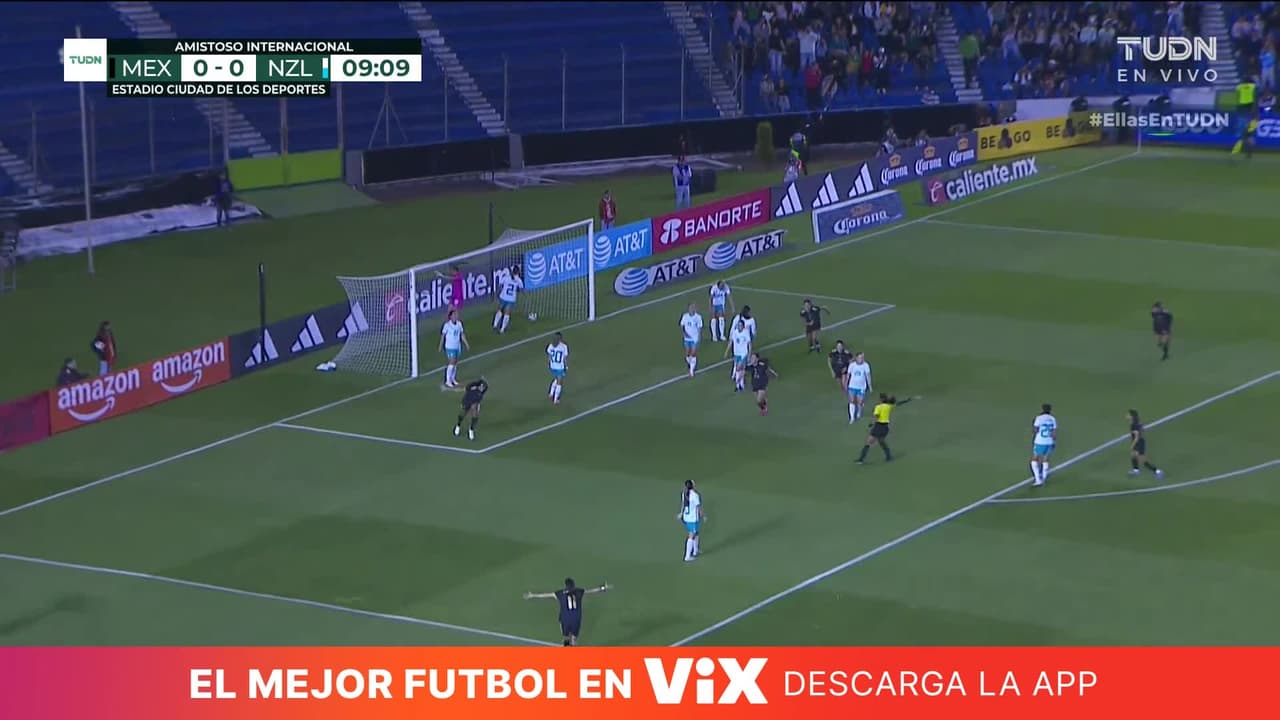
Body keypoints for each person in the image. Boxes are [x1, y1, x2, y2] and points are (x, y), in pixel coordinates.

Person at [523, 577, 611, 646]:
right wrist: (602, 588)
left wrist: (533, 595)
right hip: (576, 618)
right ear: (573, 585)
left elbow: (546, 595)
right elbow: (591, 591)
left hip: (565, 618)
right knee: (574, 638)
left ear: (566, 585)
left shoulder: (560, 593)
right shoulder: (579, 591)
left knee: (566, 637)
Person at [858, 393, 912, 464]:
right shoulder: (888, 406)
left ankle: (861, 459)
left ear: (881, 399)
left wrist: (871, 423)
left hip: (878, 426)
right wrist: (907, 400)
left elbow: (877, 416)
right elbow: (898, 404)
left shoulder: (878, 407)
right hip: (885, 427)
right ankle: (888, 456)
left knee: (869, 442)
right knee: (881, 441)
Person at [1126, 409, 1165, 480]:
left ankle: (1158, 471)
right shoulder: (1138, 422)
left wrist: (1132, 445)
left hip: (1138, 442)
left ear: (1132, 416)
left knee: (1142, 460)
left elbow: (1136, 437)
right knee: (1133, 455)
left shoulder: (1133, 425)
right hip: (1140, 441)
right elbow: (1142, 430)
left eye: (1128, 415)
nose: (1127, 416)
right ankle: (1136, 470)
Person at [439, 310, 468, 388]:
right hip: (449, 347)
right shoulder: (447, 325)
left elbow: (462, 334)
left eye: (456, 314)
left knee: (455, 363)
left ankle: (453, 379)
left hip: (457, 346)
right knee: (451, 363)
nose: (455, 316)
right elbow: (443, 336)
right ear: (450, 316)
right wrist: (440, 346)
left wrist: (466, 343)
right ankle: (448, 381)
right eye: (454, 315)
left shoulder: (459, 324)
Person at [1030, 403, 1057, 487]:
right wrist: (1053, 441)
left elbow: (1035, 430)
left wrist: (1034, 436)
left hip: (1040, 441)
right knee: (1045, 459)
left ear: (1042, 409)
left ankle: (1038, 480)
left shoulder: (1039, 418)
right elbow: (1054, 432)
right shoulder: (1052, 418)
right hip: (1049, 441)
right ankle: (1044, 477)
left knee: (1034, 459)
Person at [677, 479, 705, 562]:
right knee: (691, 535)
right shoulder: (695, 495)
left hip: (687, 517)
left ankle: (695, 550)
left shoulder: (684, 493)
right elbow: (699, 507)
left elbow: (683, 505)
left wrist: (681, 513)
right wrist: (703, 516)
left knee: (696, 532)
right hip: (692, 518)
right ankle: (687, 556)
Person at [453, 376, 488, 441]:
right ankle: (458, 426)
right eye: (481, 386)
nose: (482, 388)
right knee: (462, 414)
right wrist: (479, 381)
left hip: (474, 402)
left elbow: (479, 398)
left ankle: (471, 429)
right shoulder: (472, 386)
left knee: (475, 416)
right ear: (478, 385)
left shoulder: (482, 391)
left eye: (483, 387)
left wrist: (477, 405)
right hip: (467, 401)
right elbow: (467, 387)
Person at [723, 318, 753, 393]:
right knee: (740, 369)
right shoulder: (735, 332)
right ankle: (741, 385)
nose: (739, 327)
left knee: (738, 368)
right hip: (736, 353)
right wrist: (726, 351)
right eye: (738, 325)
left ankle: (737, 386)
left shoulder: (746, 333)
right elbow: (731, 342)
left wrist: (749, 354)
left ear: (743, 326)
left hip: (743, 353)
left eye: (741, 325)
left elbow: (749, 344)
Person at [492, 264, 524, 334]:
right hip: (511, 299)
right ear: (518, 272)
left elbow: (500, 286)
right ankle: (502, 329)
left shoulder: (506, 277)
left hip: (503, 296)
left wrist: (497, 294)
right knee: (507, 313)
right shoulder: (519, 280)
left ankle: (495, 324)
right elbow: (521, 290)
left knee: (499, 310)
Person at [847, 351, 872, 423]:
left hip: (861, 387)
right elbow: (848, 375)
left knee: (860, 402)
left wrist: (870, 386)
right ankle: (852, 418)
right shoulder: (852, 365)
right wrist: (846, 383)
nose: (861, 359)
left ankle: (859, 411)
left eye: (862, 357)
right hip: (852, 386)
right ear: (856, 358)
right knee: (851, 401)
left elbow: (868, 375)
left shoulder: (866, 365)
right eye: (860, 357)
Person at [679, 303, 704, 378]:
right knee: (687, 353)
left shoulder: (698, 317)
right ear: (688, 309)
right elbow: (682, 326)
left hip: (694, 338)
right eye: (690, 308)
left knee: (693, 353)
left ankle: (691, 371)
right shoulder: (685, 316)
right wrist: (684, 334)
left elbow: (699, 328)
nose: (692, 309)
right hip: (687, 338)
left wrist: (699, 337)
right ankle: (690, 363)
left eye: (693, 307)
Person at [546, 331, 569, 405]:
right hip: (559, 367)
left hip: (552, 366)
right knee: (559, 382)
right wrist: (566, 366)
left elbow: (549, 356)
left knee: (556, 379)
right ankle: (555, 399)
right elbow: (565, 358)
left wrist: (549, 364)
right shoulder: (564, 346)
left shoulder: (551, 345)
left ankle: (551, 393)